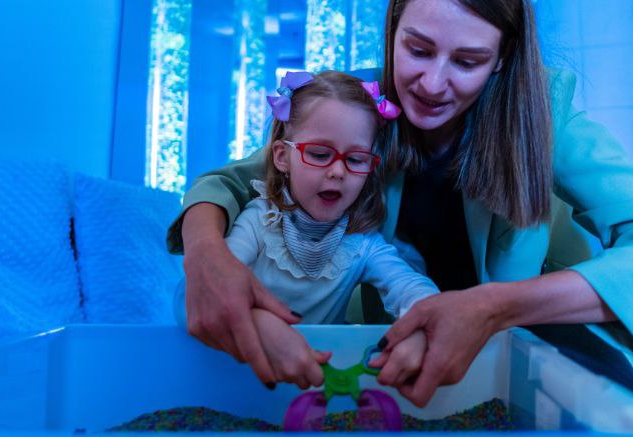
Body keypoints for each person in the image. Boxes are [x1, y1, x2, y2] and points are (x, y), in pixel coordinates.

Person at [167, 0, 633, 408]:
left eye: (467, 61)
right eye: (417, 49)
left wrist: (495, 308)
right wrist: (207, 257)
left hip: (542, 344)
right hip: (403, 346)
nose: (432, 84)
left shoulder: (544, 112)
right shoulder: (360, 104)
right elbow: (233, 182)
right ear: (392, 31)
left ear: (502, 58)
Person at [172, 70, 439, 390]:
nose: (338, 171)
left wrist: (422, 326)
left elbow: (411, 288)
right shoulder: (259, 222)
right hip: (233, 379)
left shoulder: (363, 244)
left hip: (312, 390)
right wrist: (256, 321)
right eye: (319, 154)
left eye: (356, 159)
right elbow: (194, 297)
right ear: (282, 157)